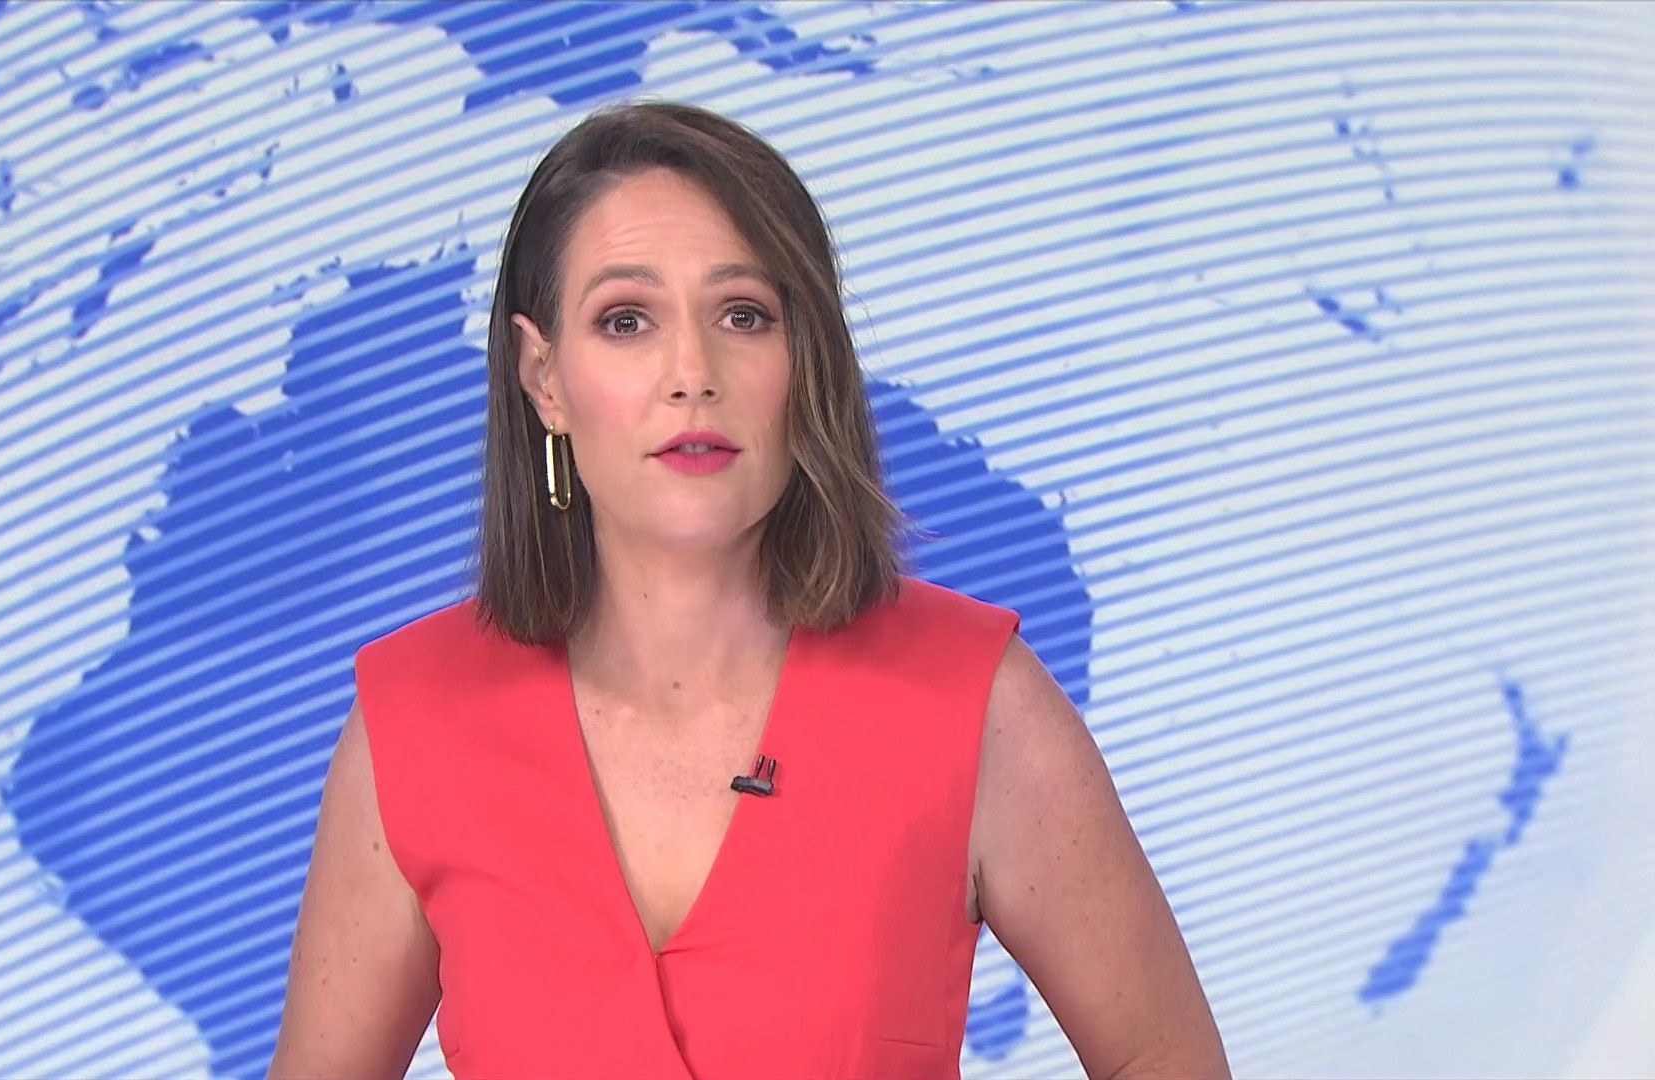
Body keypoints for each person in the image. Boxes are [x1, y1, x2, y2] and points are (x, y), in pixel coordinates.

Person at [269, 99, 1230, 1080]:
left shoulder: (979, 707)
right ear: (544, 376)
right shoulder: (412, 727)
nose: (693, 373)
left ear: (803, 358)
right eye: (626, 321)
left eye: (743, 315)